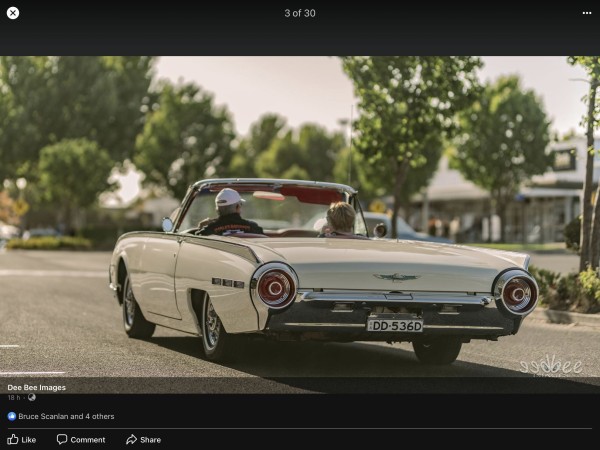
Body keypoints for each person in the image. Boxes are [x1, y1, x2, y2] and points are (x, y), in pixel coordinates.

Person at [197, 188, 264, 236]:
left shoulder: (208, 231)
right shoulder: (254, 228)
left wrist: (200, 227)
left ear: (217, 209)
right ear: (238, 207)